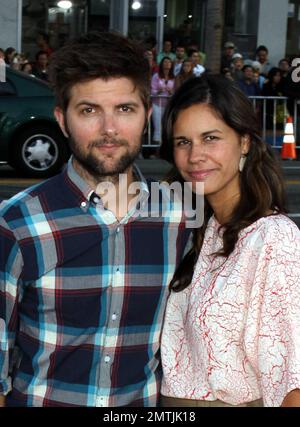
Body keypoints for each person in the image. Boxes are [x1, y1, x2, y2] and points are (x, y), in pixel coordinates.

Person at [0, 31, 191, 407]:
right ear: (62, 119)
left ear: (146, 113)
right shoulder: (16, 223)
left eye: (125, 109)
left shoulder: (180, 218)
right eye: (89, 110)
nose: (109, 129)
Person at [159, 75, 300, 407]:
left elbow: (292, 383)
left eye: (211, 138)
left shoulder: (274, 239)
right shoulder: (195, 229)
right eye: (183, 142)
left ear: (245, 142)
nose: (195, 156)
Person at [151, 56, 175, 146]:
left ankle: (165, 147)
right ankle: (157, 148)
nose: (167, 64)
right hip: (157, 104)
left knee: (166, 126)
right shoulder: (156, 76)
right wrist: (158, 91)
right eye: (165, 62)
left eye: (169, 62)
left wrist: (171, 92)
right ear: (162, 64)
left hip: (168, 104)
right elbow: (152, 90)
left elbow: (175, 91)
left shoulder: (173, 77)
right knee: (158, 126)